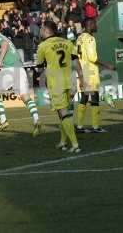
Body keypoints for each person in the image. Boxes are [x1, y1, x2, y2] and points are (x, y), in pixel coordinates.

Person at [0, 20, 41, 136]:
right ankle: (36, 120)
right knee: (25, 97)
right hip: (20, 69)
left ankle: (3, 120)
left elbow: (4, 45)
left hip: (9, 69)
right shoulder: (6, 37)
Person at [37, 21, 83, 153]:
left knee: (63, 114)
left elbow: (40, 67)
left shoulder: (43, 46)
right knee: (63, 114)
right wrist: (82, 78)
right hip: (71, 81)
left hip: (56, 83)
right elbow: (76, 62)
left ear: (46, 30)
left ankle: (75, 145)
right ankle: (63, 142)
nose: (40, 31)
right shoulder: (67, 43)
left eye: (41, 29)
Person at [75, 19, 115, 133]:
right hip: (90, 72)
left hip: (82, 70)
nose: (96, 26)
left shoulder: (79, 38)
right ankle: (95, 126)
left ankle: (79, 126)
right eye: (94, 24)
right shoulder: (90, 38)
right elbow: (92, 58)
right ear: (89, 25)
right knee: (94, 98)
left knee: (84, 97)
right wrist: (107, 65)